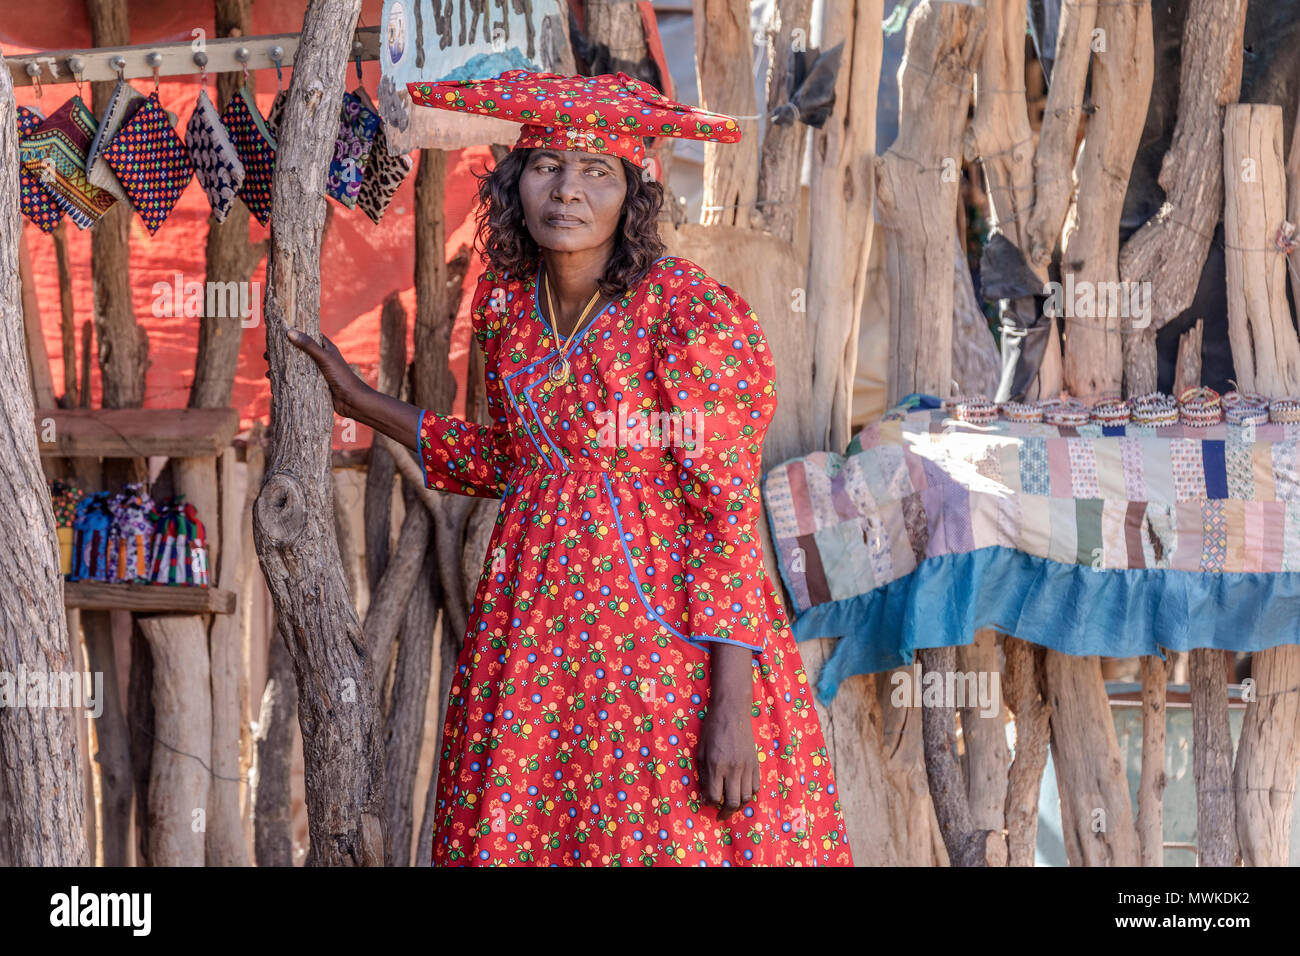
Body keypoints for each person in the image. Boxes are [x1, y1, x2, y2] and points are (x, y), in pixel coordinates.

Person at [289, 70, 852, 866]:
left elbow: (723, 511)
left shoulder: (685, 311)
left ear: (633, 194)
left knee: (661, 837)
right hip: (534, 648)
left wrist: (731, 705)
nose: (568, 189)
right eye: (548, 164)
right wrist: (362, 402)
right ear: (517, 183)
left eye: (598, 171)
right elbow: (523, 466)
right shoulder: (508, 310)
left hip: (662, 647)